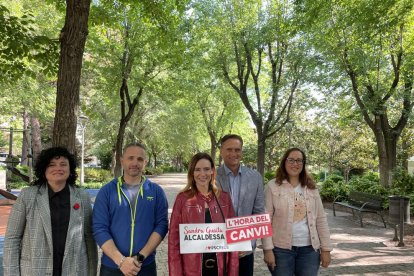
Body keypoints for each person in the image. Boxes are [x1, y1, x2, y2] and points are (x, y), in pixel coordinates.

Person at [3, 146, 97, 276]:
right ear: (44, 170)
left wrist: (91, 272)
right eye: (51, 164)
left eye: (63, 164)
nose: (58, 168)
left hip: (74, 271)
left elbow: (89, 240)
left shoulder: (82, 197)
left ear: (70, 170)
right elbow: (12, 239)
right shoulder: (27, 196)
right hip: (34, 270)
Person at [93, 142, 168, 276]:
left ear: (145, 162)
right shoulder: (107, 191)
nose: (135, 162)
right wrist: (121, 261)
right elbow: (99, 228)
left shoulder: (156, 192)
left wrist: (139, 258)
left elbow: (161, 226)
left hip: (145, 266)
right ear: (122, 161)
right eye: (130, 158)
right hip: (112, 266)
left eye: (140, 159)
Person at [263, 147, 332, 276]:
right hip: (280, 250)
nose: (295, 164)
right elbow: (266, 220)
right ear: (284, 162)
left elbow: (321, 219)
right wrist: (268, 250)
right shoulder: (272, 186)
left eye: (299, 160)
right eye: (291, 160)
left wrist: (326, 249)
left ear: (303, 164)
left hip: (310, 251)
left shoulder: (311, 188)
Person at [168, 152, 239, 276]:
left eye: (206, 169)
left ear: (212, 171)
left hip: (220, 269)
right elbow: (174, 242)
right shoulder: (182, 199)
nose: (202, 174)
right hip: (192, 270)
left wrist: (233, 271)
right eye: (197, 170)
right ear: (192, 173)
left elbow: (233, 239)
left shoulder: (224, 198)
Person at [216, 134, 274, 276]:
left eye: (237, 150)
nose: (233, 153)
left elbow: (259, 213)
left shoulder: (255, 177)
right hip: (217, 248)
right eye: (229, 149)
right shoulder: (211, 176)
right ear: (221, 151)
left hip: (244, 249)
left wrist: (248, 242)